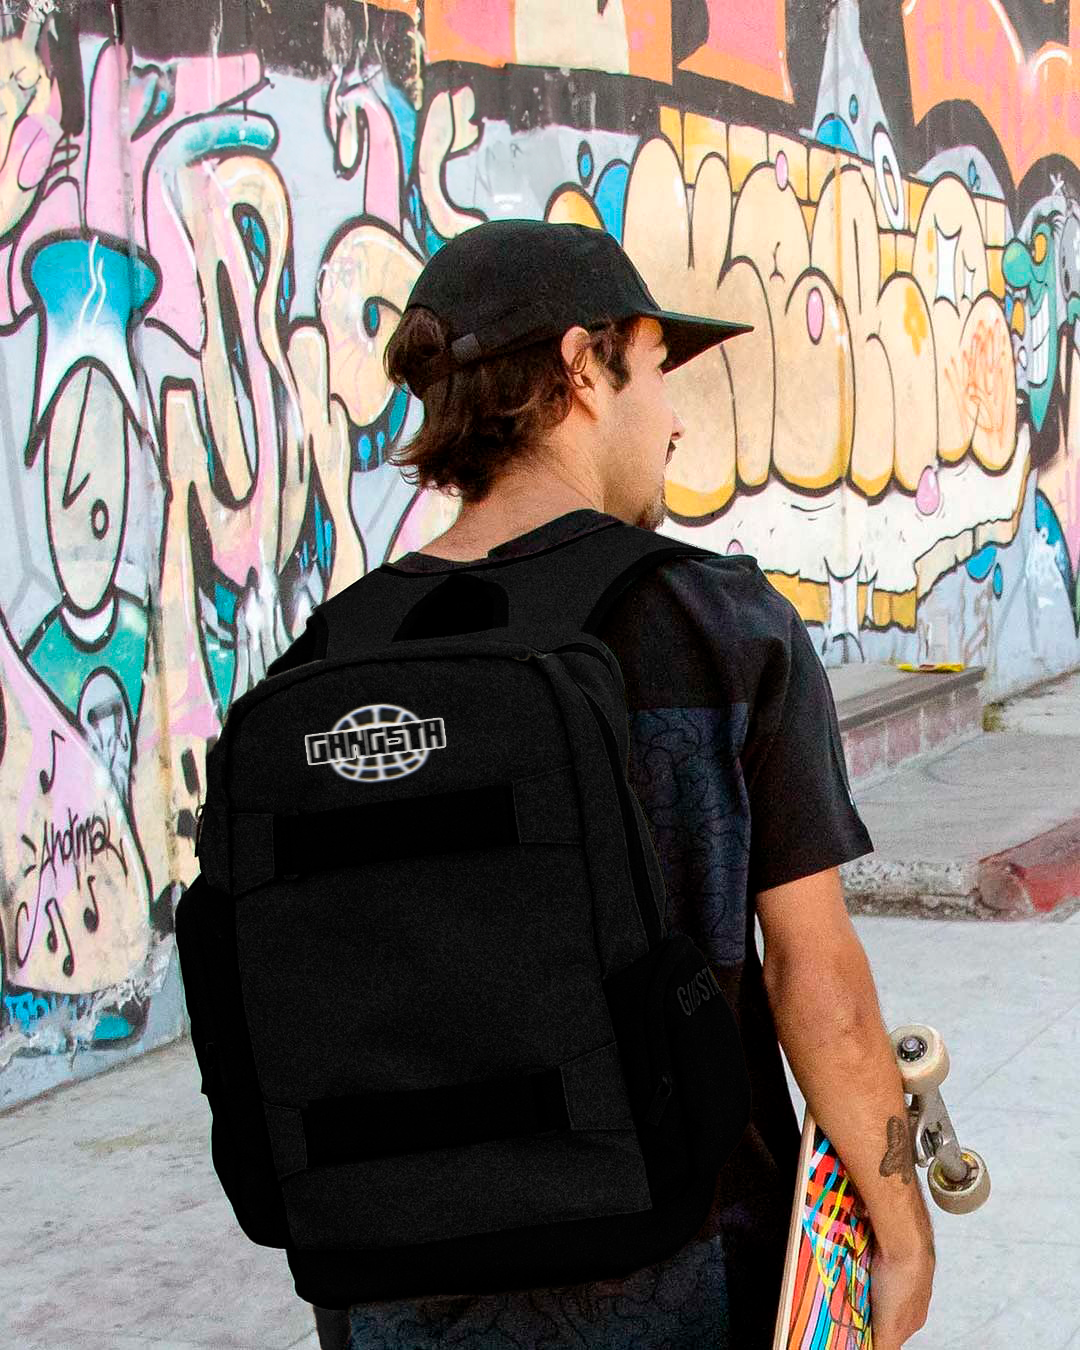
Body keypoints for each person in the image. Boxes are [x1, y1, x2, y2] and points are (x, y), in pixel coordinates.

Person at [272, 220, 936, 1349]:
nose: (674, 419)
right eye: (658, 369)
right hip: (683, 1275)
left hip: (395, 1289)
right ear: (583, 367)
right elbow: (817, 984)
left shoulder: (326, 661)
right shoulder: (724, 629)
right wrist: (902, 1226)